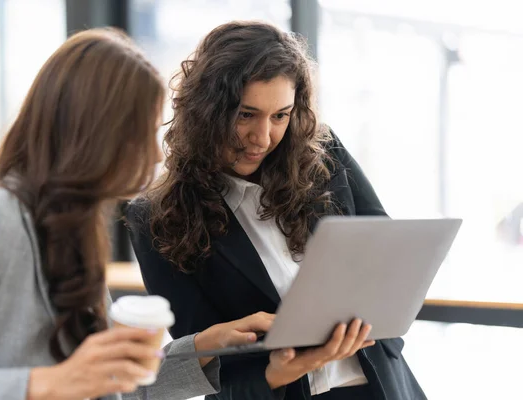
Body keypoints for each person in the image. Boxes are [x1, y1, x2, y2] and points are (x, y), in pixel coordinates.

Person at [0, 28, 275, 400]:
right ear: (97, 132)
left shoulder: (74, 235)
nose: (156, 156)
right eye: (143, 133)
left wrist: (207, 346)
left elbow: (113, 386)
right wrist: (46, 385)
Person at [127, 21, 427, 399]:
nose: (263, 137)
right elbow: (202, 366)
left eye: (280, 115)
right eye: (245, 115)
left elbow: (386, 259)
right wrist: (275, 375)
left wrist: (381, 331)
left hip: (381, 387)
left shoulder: (324, 153)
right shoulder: (156, 218)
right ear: (206, 111)